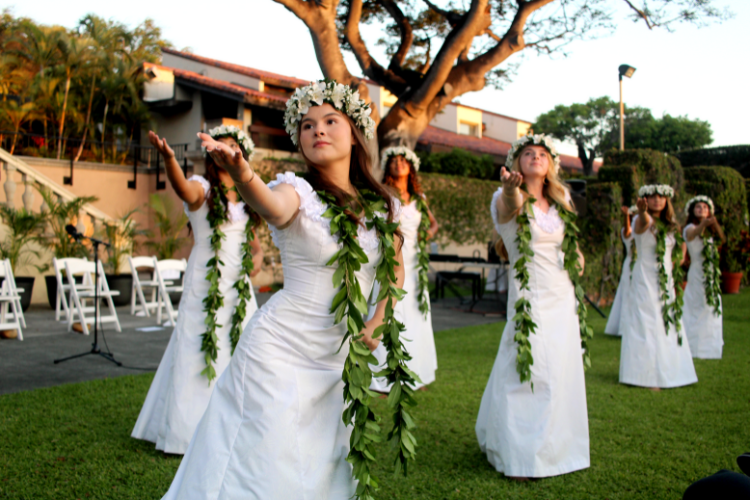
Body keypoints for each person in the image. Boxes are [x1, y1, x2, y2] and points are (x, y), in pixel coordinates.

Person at [160, 81, 407, 499]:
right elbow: (271, 206)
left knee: (321, 454)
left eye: (331, 121)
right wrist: (243, 174)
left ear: (355, 132)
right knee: (265, 455)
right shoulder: (298, 191)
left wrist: (377, 323)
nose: (318, 131)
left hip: (338, 354)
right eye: (307, 125)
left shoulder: (382, 206)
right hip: (279, 349)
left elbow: (395, 273)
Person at [131, 125, 263, 454]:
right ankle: (187, 432)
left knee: (239, 347)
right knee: (197, 350)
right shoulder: (202, 189)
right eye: (222, 145)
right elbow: (182, 188)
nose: (226, 149)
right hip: (207, 281)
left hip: (238, 286)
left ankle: (235, 426)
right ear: (212, 153)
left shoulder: (248, 198)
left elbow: (255, 244)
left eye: (233, 145)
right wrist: (170, 160)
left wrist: (256, 261)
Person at [476, 135, 590, 480]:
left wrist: (578, 259)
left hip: (563, 295)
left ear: (550, 163)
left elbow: (570, 244)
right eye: (528, 153)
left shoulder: (561, 198)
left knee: (559, 368)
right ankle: (519, 454)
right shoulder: (505, 194)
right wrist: (511, 189)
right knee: (527, 368)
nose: (536, 157)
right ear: (516, 163)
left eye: (542, 154)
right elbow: (508, 211)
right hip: (530, 296)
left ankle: (556, 448)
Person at [369, 146, 438, 392]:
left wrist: (424, 238)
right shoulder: (383, 193)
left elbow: (433, 225)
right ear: (388, 167)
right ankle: (383, 378)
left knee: (416, 316)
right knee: (389, 311)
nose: (399, 164)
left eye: (403, 161)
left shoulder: (419, 199)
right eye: (394, 161)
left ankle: (417, 371)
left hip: (414, 262)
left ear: (411, 168)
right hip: (391, 259)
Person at [619, 185, 697, 390]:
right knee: (646, 321)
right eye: (652, 197)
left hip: (666, 280)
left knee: (667, 321)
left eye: (661, 197)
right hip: (645, 277)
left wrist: (676, 263)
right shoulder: (639, 219)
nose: (657, 200)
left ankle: (670, 369)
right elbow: (643, 224)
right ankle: (646, 375)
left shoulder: (670, 225)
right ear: (645, 200)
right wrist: (643, 212)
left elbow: (678, 251)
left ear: (666, 200)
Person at [683, 195, 725, 359]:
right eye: (698, 207)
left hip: (711, 274)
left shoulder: (711, 231)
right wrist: (704, 224)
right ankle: (693, 347)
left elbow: (721, 240)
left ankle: (709, 347)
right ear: (692, 210)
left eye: (705, 207)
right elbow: (694, 233)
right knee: (697, 306)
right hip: (697, 272)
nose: (702, 209)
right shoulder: (689, 228)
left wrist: (711, 225)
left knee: (711, 308)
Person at [605, 205, 638, 336]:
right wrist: (626, 216)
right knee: (628, 293)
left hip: (643, 263)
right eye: (634, 214)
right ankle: (625, 327)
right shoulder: (627, 230)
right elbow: (628, 233)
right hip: (630, 263)